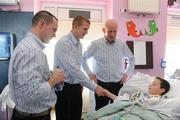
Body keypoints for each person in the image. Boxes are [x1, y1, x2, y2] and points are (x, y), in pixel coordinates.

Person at [8, 10, 64, 120]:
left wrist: (51, 77)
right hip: (34, 117)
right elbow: (31, 93)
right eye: (54, 29)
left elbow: (30, 82)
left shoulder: (26, 45)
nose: (55, 34)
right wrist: (53, 81)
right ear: (42, 24)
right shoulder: (32, 50)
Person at [54, 16, 111, 120]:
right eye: (85, 29)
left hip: (76, 87)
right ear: (75, 26)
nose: (87, 32)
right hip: (63, 87)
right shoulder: (63, 43)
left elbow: (78, 65)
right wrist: (95, 87)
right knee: (63, 117)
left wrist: (82, 82)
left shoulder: (79, 45)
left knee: (76, 115)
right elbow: (74, 70)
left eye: (88, 29)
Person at [82, 19, 135, 110]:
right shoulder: (95, 45)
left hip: (117, 85)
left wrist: (127, 74)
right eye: (109, 31)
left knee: (118, 110)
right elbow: (83, 59)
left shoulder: (121, 45)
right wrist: (90, 74)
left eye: (115, 31)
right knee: (101, 111)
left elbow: (132, 59)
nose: (112, 34)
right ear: (103, 30)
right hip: (101, 85)